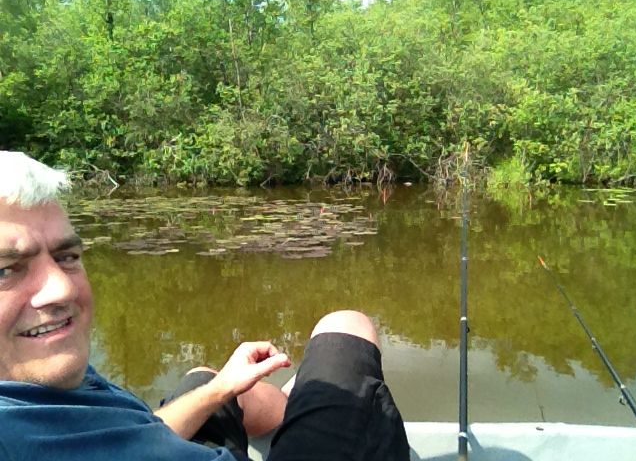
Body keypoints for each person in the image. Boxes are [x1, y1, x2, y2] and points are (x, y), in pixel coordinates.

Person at [0, 151, 410, 461]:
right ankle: (312, 408)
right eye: (5, 270)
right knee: (345, 327)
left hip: (157, 438)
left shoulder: (37, 392)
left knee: (205, 379)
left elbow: (131, 434)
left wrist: (221, 389)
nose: (60, 289)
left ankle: (297, 404)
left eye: (67, 256)